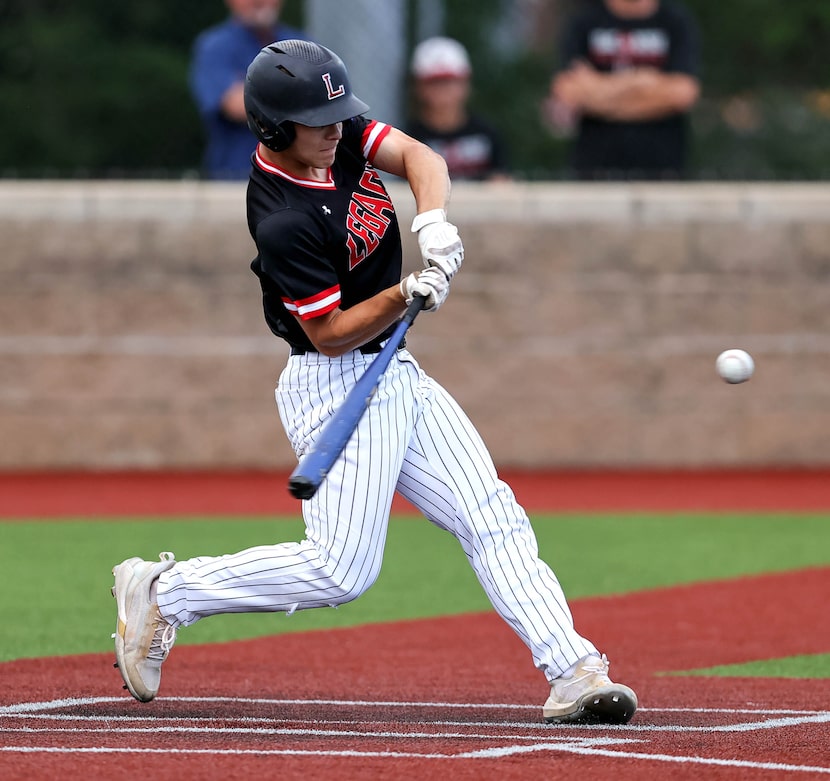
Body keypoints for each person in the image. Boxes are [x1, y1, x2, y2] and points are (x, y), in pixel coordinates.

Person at [111, 39, 637, 725]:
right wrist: (403, 292)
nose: (336, 128)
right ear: (274, 126)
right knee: (340, 570)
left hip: (393, 367)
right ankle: (166, 590)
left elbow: (424, 158)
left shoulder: (335, 131)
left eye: (337, 114)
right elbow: (329, 332)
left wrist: (433, 221)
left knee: (489, 512)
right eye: (316, 119)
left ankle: (572, 669)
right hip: (334, 381)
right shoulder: (283, 220)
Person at [548, 0, 701, 180]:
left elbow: (682, 95)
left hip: (663, 172)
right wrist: (643, 81)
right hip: (594, 172)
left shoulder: (676, 21)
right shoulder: (584, 21)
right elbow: (567, 91)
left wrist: (598, 89)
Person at [189, 0, 307, 180]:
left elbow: (329, 103)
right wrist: (299, 93)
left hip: (298, 179)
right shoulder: (215, 46)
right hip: (237, 179)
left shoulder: (304, 44)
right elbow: (236, 106)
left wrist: (254, 91)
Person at [406, 36, 511, 181]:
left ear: (466, 84)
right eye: (434, 83)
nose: (443, 91)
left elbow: (501, 180)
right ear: (419, 87)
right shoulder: (408, 137)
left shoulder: (486, 133)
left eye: (450, 82)